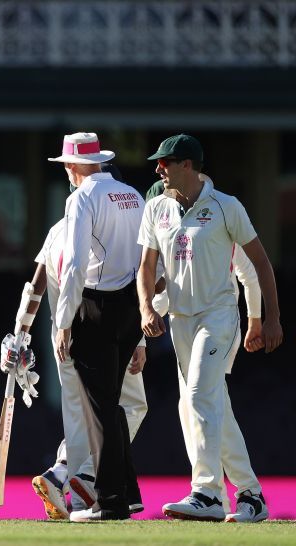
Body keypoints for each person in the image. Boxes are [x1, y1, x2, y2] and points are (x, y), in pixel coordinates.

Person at [138, 134, 283, 522]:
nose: (157, 169)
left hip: (218, 317)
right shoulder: (157, 209)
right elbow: (147, 270)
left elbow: (259, 266)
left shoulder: (225, 207)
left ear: (188, 165)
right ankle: (251, 496)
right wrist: (146, 311)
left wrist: (268, 319)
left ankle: (207, 492)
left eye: (164, 163)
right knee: (203, 406)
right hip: (180, 323)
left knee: (201, 396)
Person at [16, 164, 148, 520]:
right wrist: (141, 340)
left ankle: (68, 482)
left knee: (81, 418)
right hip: (95, 326)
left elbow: (36, 285)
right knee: (126, 407)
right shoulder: (107, 221)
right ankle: (86, 477)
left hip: (62, 335)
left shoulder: (58, 229)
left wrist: (20, 334)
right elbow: (134, 275)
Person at [50, 133, 145, 522]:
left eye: (67, 166)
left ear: (73, 166)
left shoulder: (82, 197)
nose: (68, 173)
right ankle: (128, 494)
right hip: (132, 305)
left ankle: (108, 502)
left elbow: (74, 264)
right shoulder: (133, 195)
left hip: (96, 304)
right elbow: (147, 260)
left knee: (99, 408)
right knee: (113, 404)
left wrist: (63, 322)